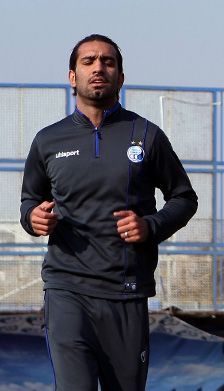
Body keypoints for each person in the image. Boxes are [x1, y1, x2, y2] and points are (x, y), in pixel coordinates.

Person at [20, 34, 198, 390]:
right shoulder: (47, 140)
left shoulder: (146, 135)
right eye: (88, 62)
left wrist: (151, 226)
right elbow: (29, 201)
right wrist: (33, 219)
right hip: (66, 289)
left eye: (108, 62)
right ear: (73, 77)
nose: (98, 68)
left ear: (120, 77)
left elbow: (184, 198)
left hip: (126, 292)